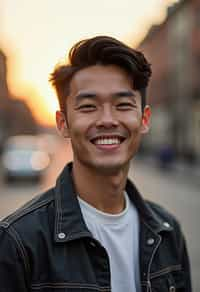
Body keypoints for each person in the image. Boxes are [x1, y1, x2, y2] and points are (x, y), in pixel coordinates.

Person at [0, 36, 192, 292]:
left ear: (144, 119)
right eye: (88, 106)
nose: (107, 120)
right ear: (63, 123)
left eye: (123, 105)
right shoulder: (19, 242)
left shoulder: (168, 232)